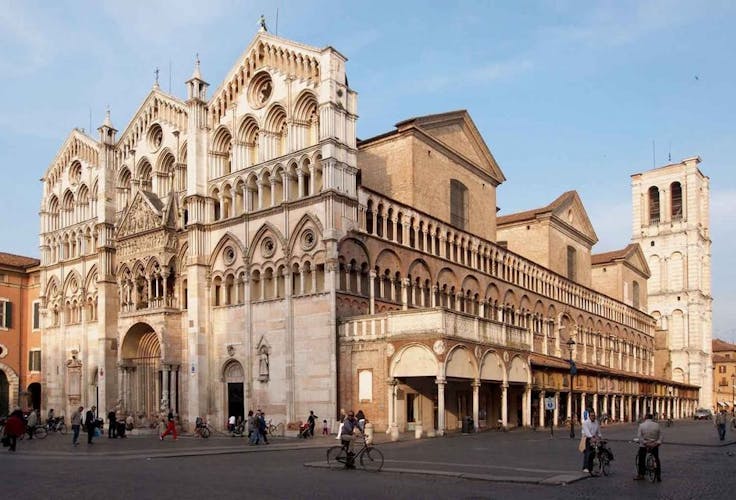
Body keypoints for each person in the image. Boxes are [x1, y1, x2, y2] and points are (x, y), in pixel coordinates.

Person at [634, 413, 662, 482]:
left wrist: (645, 443)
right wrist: (657, 443)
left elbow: (639, 436)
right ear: (652, 418)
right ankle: (658, 475)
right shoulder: (657, 425)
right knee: (656, 459)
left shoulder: (642, 425)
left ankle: (641, 474)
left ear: (645, 417)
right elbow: (661, 436)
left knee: (641, 458)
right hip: (654, 445)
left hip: (644, 445)